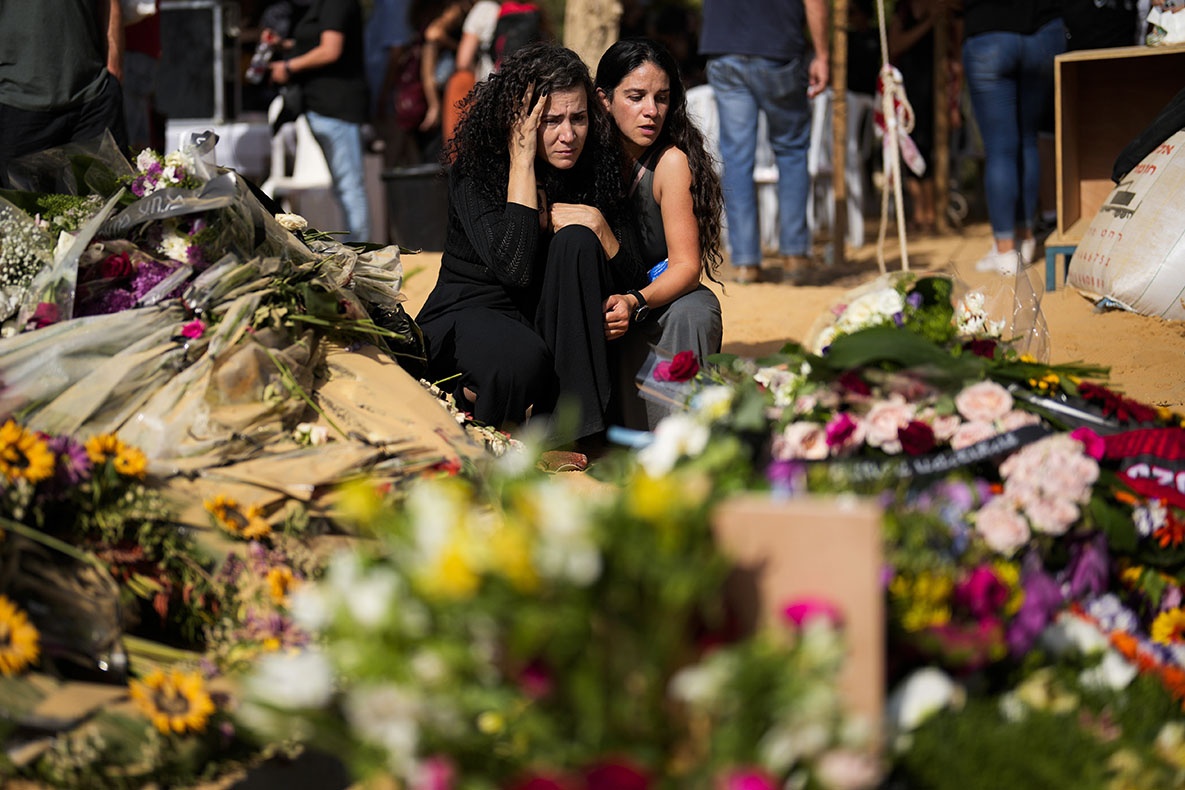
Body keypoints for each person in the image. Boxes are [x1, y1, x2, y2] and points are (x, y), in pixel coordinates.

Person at [415, 42, 647, 446]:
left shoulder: (594, 165)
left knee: (577, 238)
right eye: (551, 120)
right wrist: (521, 161)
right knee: (518, 361)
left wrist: (598, 225)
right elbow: (515, 267)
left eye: (579, 118)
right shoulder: (476, 170)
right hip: (475, 308)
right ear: (520, 120)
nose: (568, 135)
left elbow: (635, 274)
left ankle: (575, 433)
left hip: (545, 312)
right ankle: (465, 403)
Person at [595, 37, 725, 430]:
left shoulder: (670, 163)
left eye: (662, 98)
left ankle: (679, 439)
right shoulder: (579, 152)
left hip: (652, 305)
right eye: (636, 96)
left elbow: (687, 266)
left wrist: (635, 301)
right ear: (604, 99)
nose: (651, 111)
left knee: (696, 310)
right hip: (596, 310)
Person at [698, 0, 829, 284]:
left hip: (724, 47)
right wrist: (822, 54)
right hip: (777, 46)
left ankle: (746, 262)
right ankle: (794, 257)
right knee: (791, 149)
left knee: (736, 156)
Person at [962, 0, 1065, 275]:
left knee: (1000, 149)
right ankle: (1026, 238)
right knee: (1028, 139)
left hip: (989, 32)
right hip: (1042, 35)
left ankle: (1006, 250)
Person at [267, 0, 372, 242]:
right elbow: (313, 42)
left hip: (337, 106)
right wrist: (283, 45)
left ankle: (364, 256)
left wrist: (288, 67)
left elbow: (330, 50)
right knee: (345, 189)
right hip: (319, 106)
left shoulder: (336, 4)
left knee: (349, 189)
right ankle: (358, 252)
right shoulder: (317, 7)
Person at [0, 0, 127, 186]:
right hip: (15, 102)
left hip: (93, 99)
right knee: (24, 213)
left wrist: (113, 71)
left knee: (109, 207)